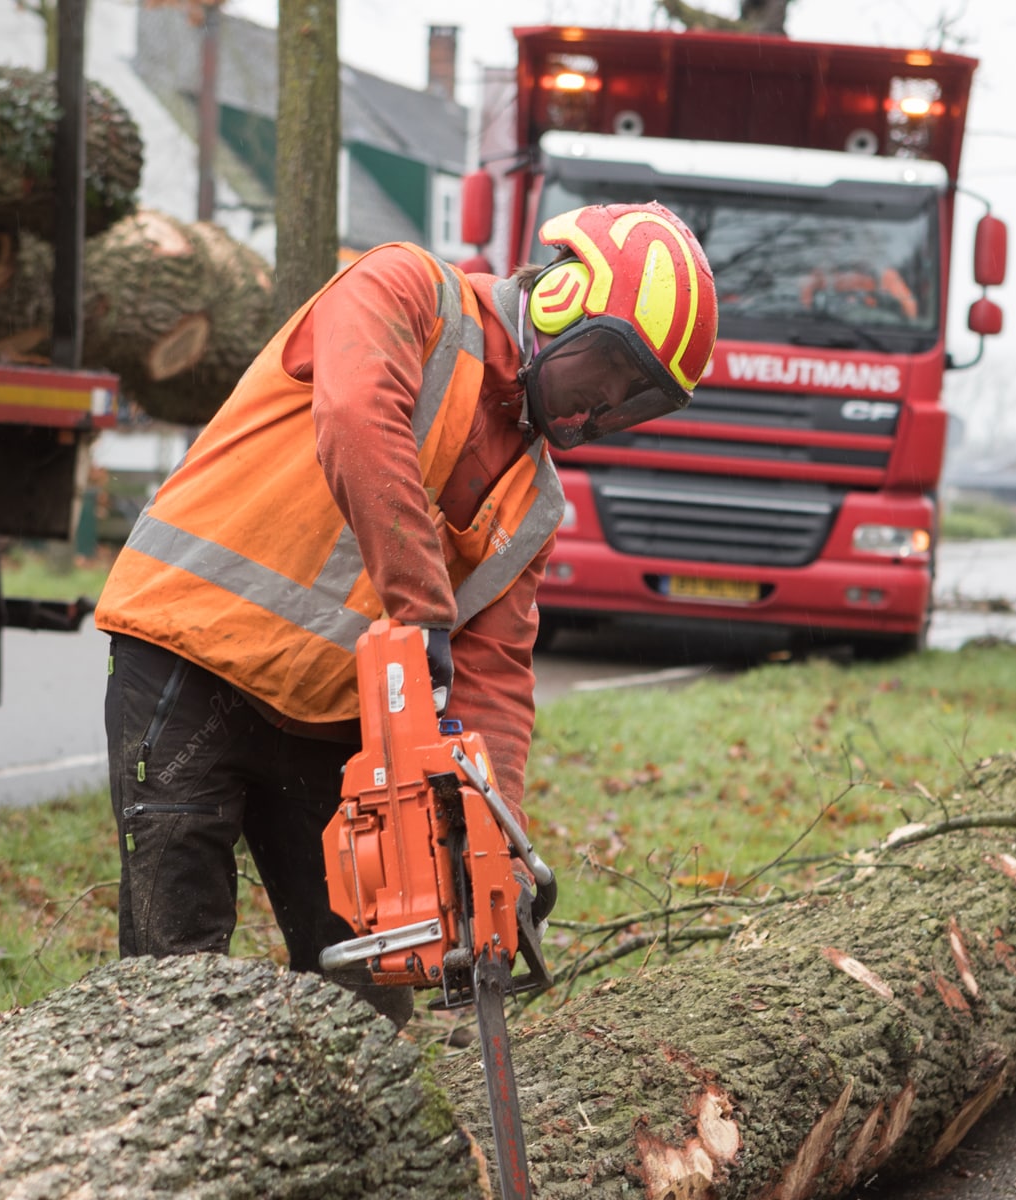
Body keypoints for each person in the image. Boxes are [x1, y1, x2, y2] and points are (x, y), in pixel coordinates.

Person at [94, 202, 718, 1024]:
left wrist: (497, 846)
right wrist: (423, 608)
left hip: (326, 724)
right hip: (191, 654)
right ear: (562, 295)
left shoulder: (533, 504)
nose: (599, 404)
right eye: (606, 368)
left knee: (366, 996)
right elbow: (357, 418)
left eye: (629, 398)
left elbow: (495, 681)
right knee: (173, 973)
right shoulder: (407, 290)